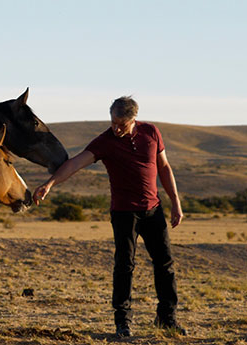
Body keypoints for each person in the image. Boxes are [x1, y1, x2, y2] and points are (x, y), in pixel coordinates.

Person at [32, 96, 187, 337]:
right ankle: (122, 322)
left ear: (133, 119)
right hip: (124, 213)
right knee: (124, 266)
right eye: (113, 122)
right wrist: (50, 183)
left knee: (165, 264)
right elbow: (75, 164)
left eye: (121, 124)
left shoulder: (151, 132)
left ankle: (167, 318)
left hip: (153, 210)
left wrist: (175, 202)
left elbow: (164, 168)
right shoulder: (105, 141)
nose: (116, 128)